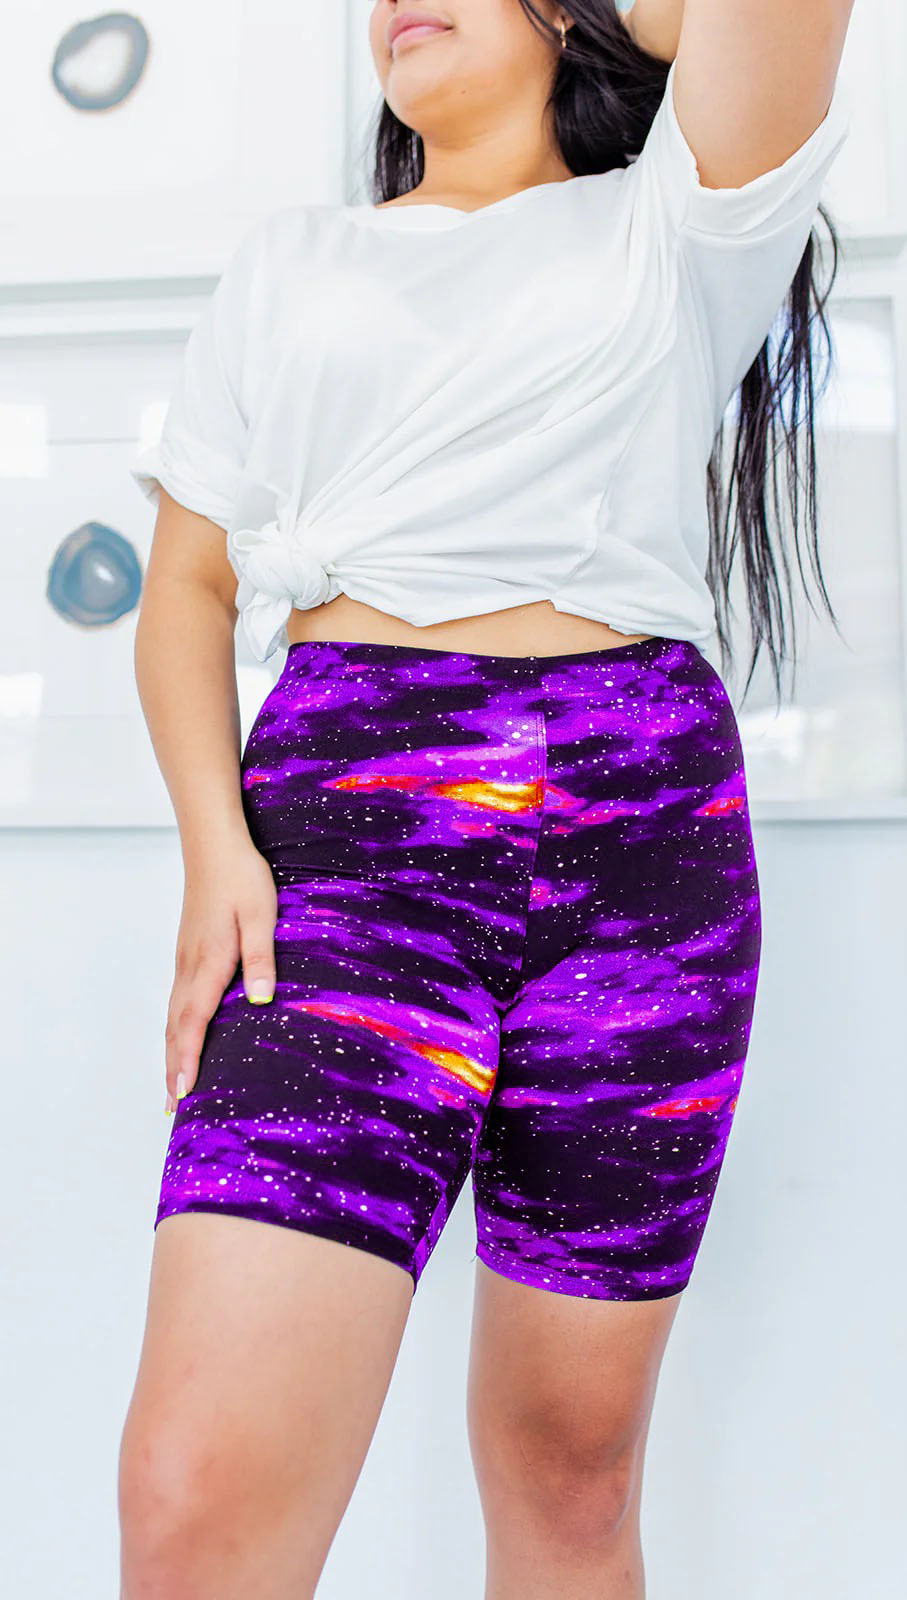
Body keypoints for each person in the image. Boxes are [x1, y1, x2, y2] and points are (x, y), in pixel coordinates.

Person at [117, 2, 855, 1594]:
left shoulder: (675, 221)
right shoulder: (295, 262)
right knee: (196, 1501)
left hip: (644, 856)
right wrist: (214, 851)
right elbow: (185, 590)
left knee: (570, 1476)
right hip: (345, 857)